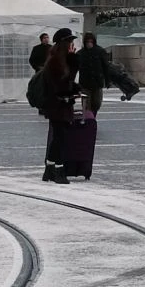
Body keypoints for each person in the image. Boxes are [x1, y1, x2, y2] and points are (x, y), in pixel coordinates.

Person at [39, 28, 80, 184]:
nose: (71, 44)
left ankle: (49, 170)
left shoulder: (60, 59)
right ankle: (58, 170)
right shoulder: (56, 61)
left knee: (58, 137)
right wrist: (70, 92)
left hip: (59, 104)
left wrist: (74, 89)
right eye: (69, 41)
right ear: (63, 43)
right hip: (57, 104)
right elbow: (61, 84)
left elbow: (67, 82)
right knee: (60, 138)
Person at [75, 33, 110, 114]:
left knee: (96, 103)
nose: (89, 44)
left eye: (91, 42)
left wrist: (107, 80)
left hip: (97, 82)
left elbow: (105, 66)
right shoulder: (80, 53)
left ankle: (92, 116)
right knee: (86, 105)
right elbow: (75, 68)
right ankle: (89, 118)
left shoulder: (100, 51)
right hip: (85, 83)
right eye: (87, 42)